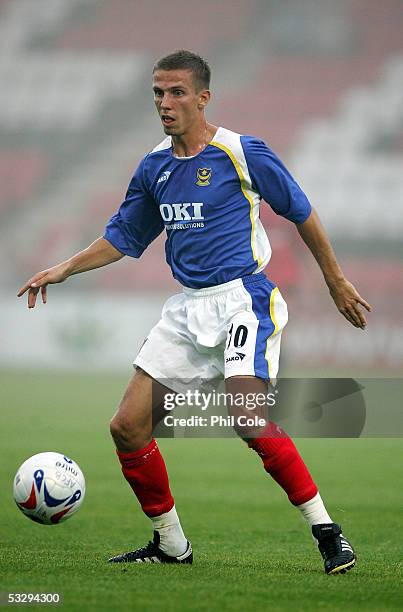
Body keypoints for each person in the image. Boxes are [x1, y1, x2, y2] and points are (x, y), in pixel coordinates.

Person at [18, 49, 371, 574]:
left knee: (248, 418)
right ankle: (170, 545)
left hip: (243, 299)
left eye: (177, 92)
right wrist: (64, 268)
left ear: (203, 97)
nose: (165, 102)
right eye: (158, 92)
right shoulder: (155, 166)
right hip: (186, 308)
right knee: (127, 427)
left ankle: (328, 532)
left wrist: (336, 281)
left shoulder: (241, 152)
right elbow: (124, 237)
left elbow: (302, 212)